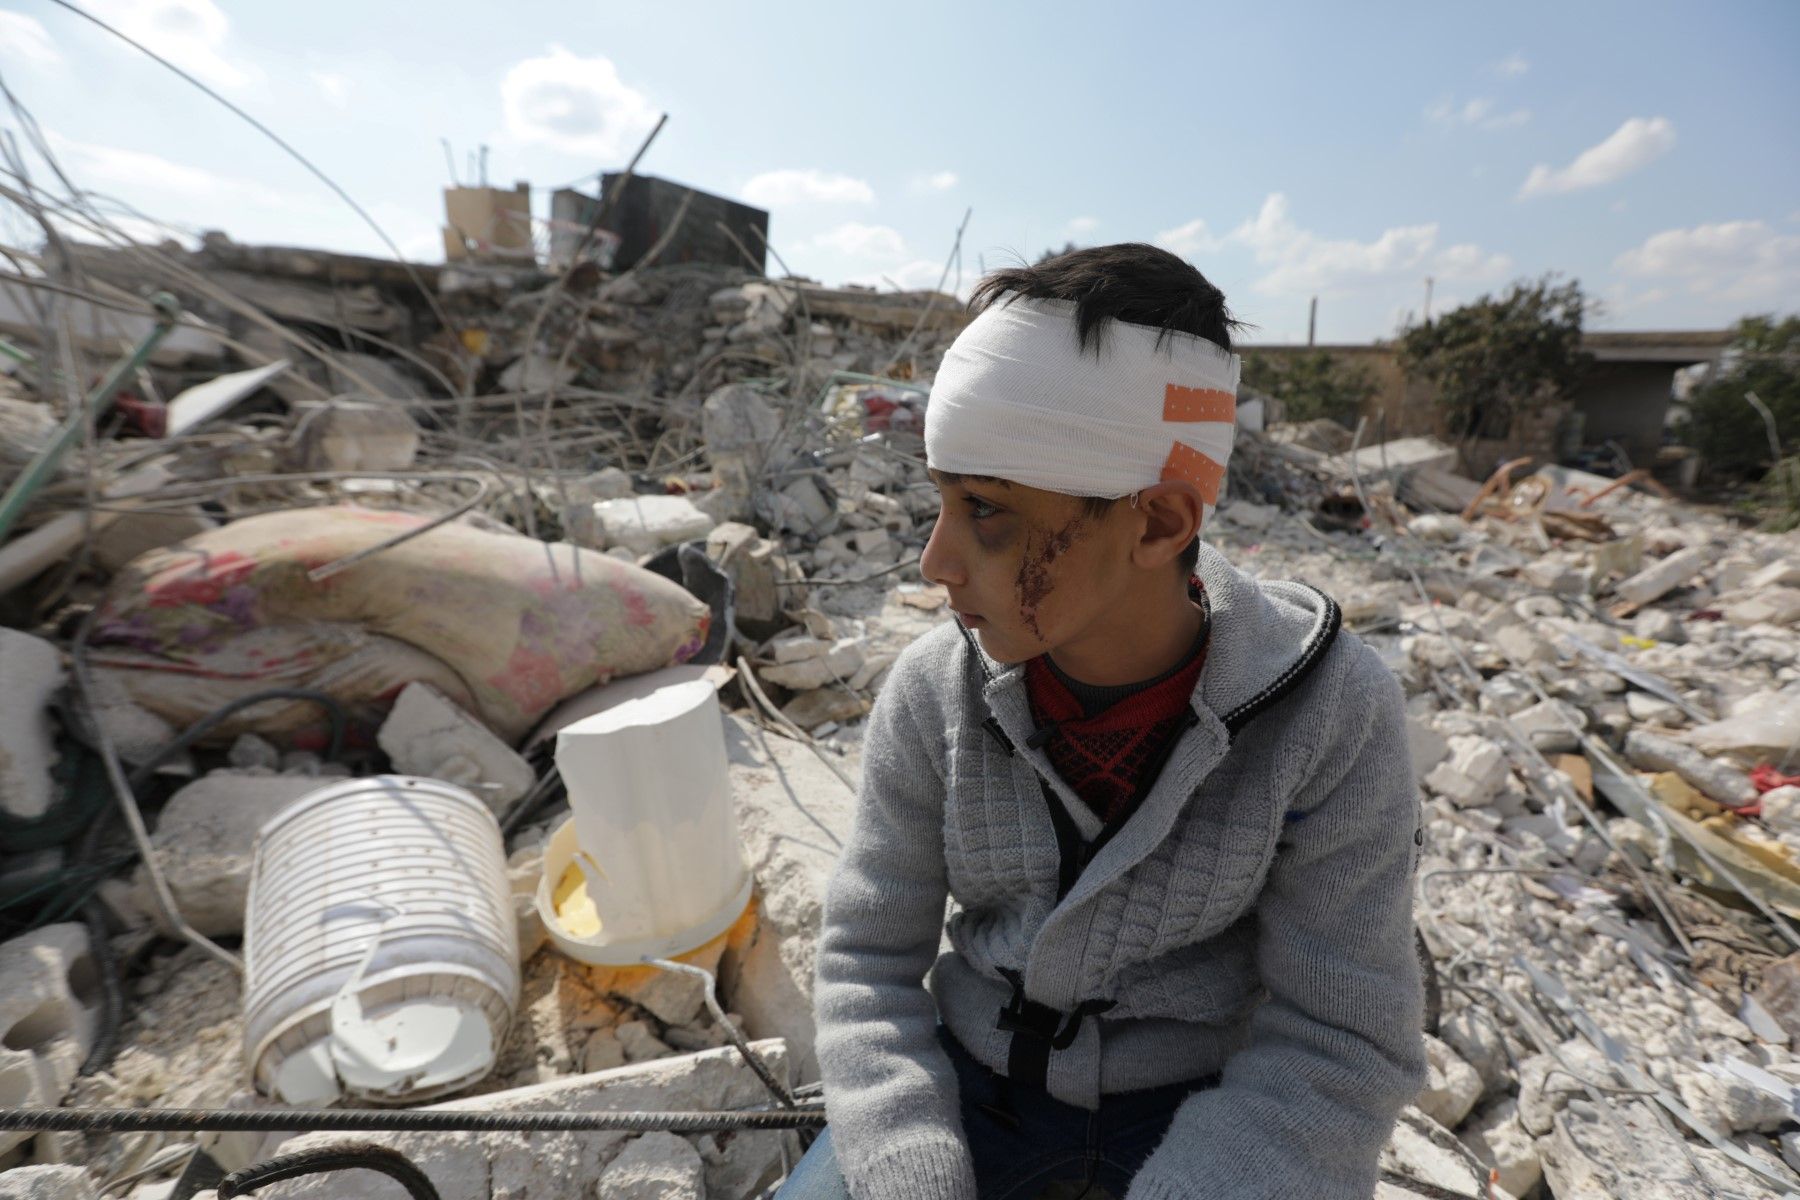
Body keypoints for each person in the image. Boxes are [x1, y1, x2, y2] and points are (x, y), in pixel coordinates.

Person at [777, 244, 1426, 1200]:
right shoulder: (935, 691)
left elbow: (1339, 1042)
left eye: (986, 512)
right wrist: (909, 1168)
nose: (934, 561)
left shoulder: (1331, 715)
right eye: (940, 502)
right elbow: (868, 963)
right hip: (970, 1097)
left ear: (1159, 523)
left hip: (1206, 1124)